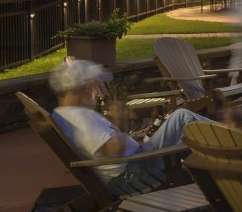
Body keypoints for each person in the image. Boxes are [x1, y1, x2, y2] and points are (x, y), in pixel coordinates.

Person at [49, 58, 214, 195]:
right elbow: (114, 149)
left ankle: (223, 148)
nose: (96, 92)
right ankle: (231, 142)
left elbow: (105, 146)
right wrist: (120, 120)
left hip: (135, 164)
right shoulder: (80, 118)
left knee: (184, 129)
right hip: (133, 174)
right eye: (94, 87)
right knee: (182, 118)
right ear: (86, 88)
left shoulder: (63, 113)